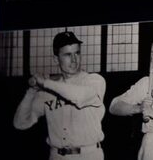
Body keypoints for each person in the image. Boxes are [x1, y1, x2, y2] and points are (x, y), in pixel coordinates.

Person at [13, 31, 106, 159]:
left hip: (88, 154)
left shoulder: (94, 81)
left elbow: (78, 97)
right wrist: (32, 91)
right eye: (68, 54)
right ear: (56, 59)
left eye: (77, 53)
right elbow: (20, 123)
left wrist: (45, 82)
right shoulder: (48, 91)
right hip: (56, 155)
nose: (74, 59)